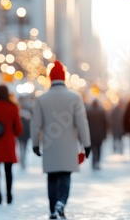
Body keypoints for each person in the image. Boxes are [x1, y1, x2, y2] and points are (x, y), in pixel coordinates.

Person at [30, 60, 91, 220]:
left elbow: (36, 124)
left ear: (50, 78)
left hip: (50, 145)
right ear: (64, 78)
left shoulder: (41, 99)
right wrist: (87, 144)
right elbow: (82, 123)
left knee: (52, 177)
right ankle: (61, 203)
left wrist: (35, 143)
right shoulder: (75, 98)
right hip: (68, 146)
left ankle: (52, 209)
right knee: (65, 176)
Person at [86, 99, 108, 170]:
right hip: (99, 134)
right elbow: (105, 124)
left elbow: (86, 124)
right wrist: (105, 135)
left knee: (93, 149)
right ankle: (97, 162)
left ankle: (93, 162)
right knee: (99, 149)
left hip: (91, 134)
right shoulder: (101, 111)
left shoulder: (89, 112)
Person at [18, 95, 33, 169]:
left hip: (21, 133)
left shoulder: (19, 109)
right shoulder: (28, 109)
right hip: (25, 133)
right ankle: (23, 159)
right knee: (23, 147)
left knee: (21, 147)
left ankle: (22, 159)